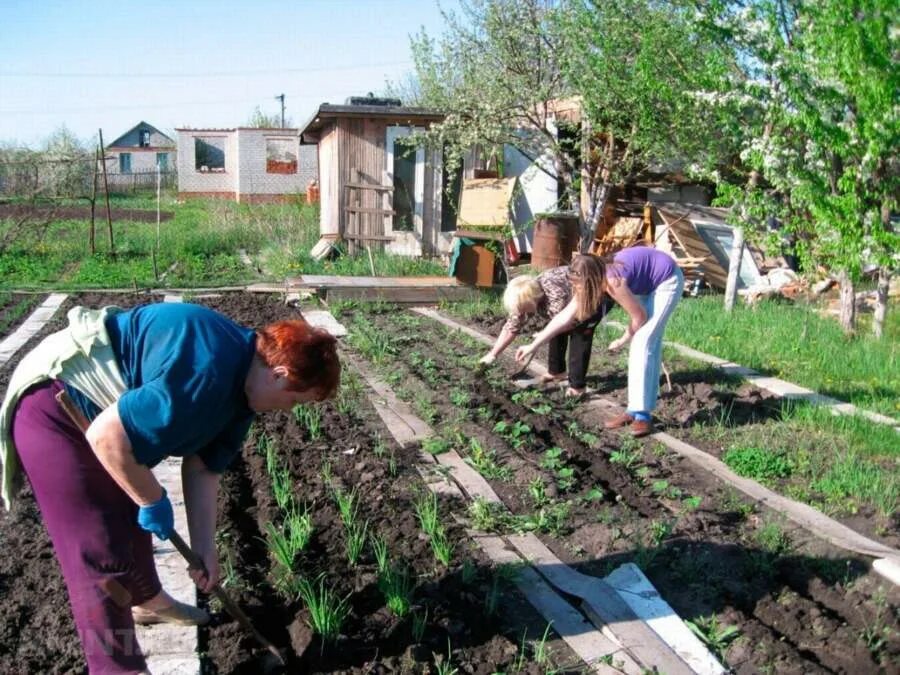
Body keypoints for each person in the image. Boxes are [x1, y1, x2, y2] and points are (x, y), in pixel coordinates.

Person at [0, 302, 340, 674]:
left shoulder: (244, 394)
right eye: (296, 400)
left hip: (104, 418)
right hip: (55, 406)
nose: (290, 411)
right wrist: (152, 498)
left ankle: (148, 600)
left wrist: (205, 550)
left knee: (132, 508)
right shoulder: (205, 372)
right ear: (278, 374)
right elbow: (107, 437)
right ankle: (117, 669)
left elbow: (203, 469)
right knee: (101, 557)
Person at [516, 248, 684, 437]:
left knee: (643, 343)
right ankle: (633, 410)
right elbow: (563, 318)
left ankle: (643, 416)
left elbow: (639, 317)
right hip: (646, 280)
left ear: (591, 279)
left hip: (666, 280)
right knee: (642, 345)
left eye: (579, 284)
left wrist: (622, 339)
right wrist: (533, 345)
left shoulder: (613, 282)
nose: (577, 289)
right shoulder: (591, 279)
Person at [479, 264, 609, 397]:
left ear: (532, 300)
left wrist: (536, 343)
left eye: (523, 309)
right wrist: (492, 354)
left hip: (595, 294)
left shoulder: (554, 292)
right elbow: (511, 326)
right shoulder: (525, 296)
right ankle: (556, 372)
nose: (522, 313)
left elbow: (565, 322)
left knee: (579, 333)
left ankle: (577, 387)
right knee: (552, 328)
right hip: (568, 303)